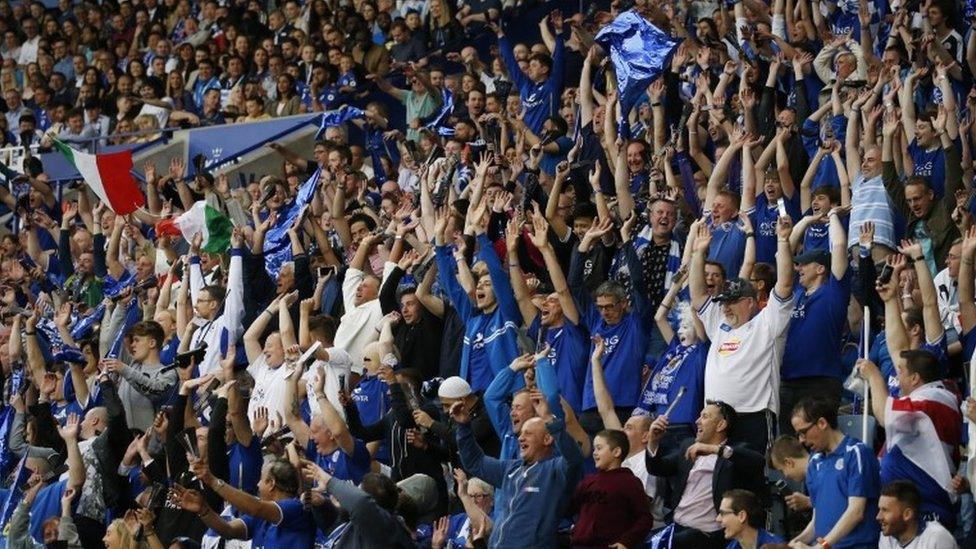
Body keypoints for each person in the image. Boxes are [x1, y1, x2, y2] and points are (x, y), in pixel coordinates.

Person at [689, 217, 795, 451]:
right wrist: (698, 254)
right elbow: (697, 296)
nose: (725, 308)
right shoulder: (720, 323)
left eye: (731, 302)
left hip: (754, 417)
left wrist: (783, 240)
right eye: (723, 303)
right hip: (716, 419)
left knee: (751, 477)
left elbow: (785, 286)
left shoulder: (768, 324)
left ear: (749, 302)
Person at [453, 389, 583, 548]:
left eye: (528, 434)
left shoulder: (556, 471)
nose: (521, 438)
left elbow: (574, 459)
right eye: (521, 434)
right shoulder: (510, 469)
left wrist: (549, 418)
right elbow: (475, 462)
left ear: (547, 439)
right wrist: (463, 427)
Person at [645, 401, 766, 548]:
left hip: (707, 535)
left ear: (721, 425)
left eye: (704, 416)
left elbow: (758, 461)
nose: (697, 421)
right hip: (676, 527)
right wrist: (653, 441)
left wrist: (715, 449)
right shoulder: (688, 446)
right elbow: (657, 468)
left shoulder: (735, 453)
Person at [789, 396, 881, 548]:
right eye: (798, 434)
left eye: (803, 432)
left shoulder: (856, 453)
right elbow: (816, 520)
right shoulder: (814, 462)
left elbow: (856, 512)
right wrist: (796, 541)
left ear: (822, 423)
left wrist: (822, 546)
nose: (801, 440)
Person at [570, 429, 653, 548]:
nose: (594, 453)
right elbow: (570, 508)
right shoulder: (588, 481)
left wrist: (626, 542)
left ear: (616, 452)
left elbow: (645, 519)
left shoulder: (629, 482)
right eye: (594, 449)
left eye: (599, 448)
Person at [877, 480, 957, 549]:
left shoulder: (937, 537)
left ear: (907, 514)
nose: (878, 517)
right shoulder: (886, 538)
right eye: (879, 510)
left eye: (885, 510)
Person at [717, 489, 784, 549]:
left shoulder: (776, 545)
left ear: (742, 516)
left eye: (723, 513)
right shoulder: (732, 546)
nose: (718, 519)